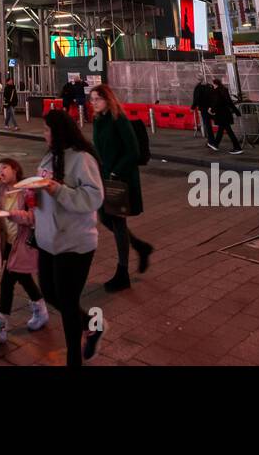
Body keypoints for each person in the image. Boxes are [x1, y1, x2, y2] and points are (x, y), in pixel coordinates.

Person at [33, 109, 105, 366]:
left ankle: (74, 358)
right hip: (47, 241)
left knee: (67, 300)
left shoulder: (82, 159)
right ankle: (91, 325)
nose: (43, 135)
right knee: (50, 294)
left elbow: (94, 197)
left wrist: (59, 190)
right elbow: (43, 194)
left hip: (74, 243)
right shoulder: (48, 158)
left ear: (58, 133)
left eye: (46, 130)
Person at [88, 84, 155, 292]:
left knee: (116, 222)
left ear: (107, 99)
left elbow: (133, 151)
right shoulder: (99, 121)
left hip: (120, 179)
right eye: (91, 100)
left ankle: (123, 272)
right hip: (105, 178)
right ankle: (140, 247)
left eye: (97, 99)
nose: (93, 103)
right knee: (106, 218)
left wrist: (115, 171)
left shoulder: (119, 119)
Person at [0, 158, 48, 343]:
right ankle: (41, 311)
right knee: (23, 277)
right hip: (8, 242)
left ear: (15, 169)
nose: (1, 171)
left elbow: (34, 217)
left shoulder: (27, 189)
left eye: (5, 167)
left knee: (7, 282)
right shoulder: (1, 190)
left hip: (23, 243)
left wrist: (12, 215)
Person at [208, 81, 243, 155]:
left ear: (215, 84)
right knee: (221, 129)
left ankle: (237, 147)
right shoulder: (224, 90)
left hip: (221, 114)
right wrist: (237, 112)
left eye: (213, 85)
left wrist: (211, 110)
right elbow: (230, 102)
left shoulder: (216, 92)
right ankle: (216, 144)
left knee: (229, 131)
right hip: (226, 113)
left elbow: (216, 102)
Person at [190, 77, 215, 145]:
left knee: (207, 124)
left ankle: (211, 141)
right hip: (212, 107)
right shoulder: (210, 86)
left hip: (204, 108)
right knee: (219, 124)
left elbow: (196, 98)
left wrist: (192, 107)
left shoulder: (198, 87)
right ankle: (212, 140)